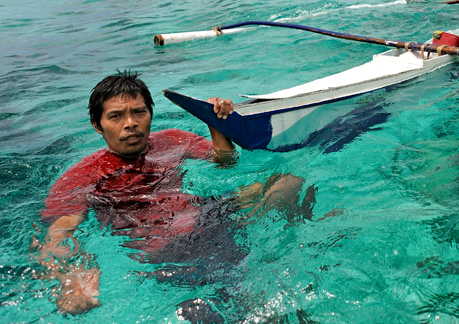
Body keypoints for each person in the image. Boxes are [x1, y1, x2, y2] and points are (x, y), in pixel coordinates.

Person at [34, 71, 319, 319]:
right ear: (98, 125)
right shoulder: (83, 175)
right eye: (116, 116)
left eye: (139, 112)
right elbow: (58, 234)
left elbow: (225, 162)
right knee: (246, 302)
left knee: (288, 182)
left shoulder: (172, 140)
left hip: (208, 215)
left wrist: (215, 122)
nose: (130, 123)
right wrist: (70, 278)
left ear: (150, 115)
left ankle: (297, 246)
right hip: (168, 250)